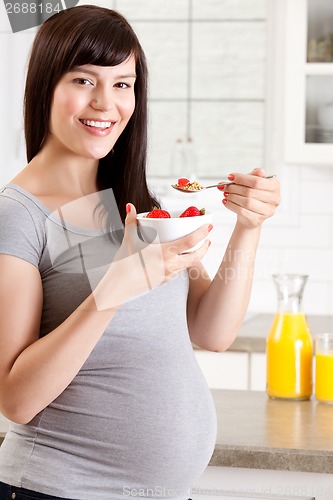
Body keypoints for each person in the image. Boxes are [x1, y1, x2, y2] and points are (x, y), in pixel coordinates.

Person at [0, 5, 280, 500]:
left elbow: (212, 331)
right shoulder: (19, 215)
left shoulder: (138, 207)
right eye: (84, 80)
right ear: (45, 84)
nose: (106, 103)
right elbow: (15, 399)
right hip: (57, 490)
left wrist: (249, 228)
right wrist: (114, 290)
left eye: (122, 84)